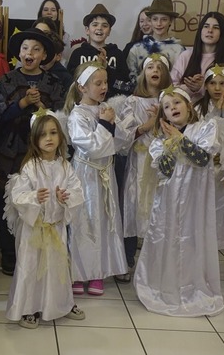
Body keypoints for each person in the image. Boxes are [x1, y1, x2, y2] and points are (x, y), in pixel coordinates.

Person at [134, 86, 223, 317]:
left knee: (193, 239)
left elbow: (203, 159)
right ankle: (166, 285)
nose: (172, 108)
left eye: (177, 103)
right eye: (166, 106)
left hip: (195, 201)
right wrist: (171, 144)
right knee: (169, 238)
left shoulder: (205, 128)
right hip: (169, 203)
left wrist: (180, 140)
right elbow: (165, 168)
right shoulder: (159, 141)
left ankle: (193, 286)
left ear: (188, 106)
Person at [5, 110, 85, 329]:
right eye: (43, 135)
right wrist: (34, 198)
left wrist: (65, 198)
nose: (49, 138)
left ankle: (61, 303)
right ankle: (29, 308)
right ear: (35, 139)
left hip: (56, 228)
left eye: (53, 133)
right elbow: (18, 196)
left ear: (60, 136)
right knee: (31, 267)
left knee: (57, 267)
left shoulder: (66, 167)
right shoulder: (31, 167)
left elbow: (77, 191)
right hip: (34, 231)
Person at [0, 28, 64, 275]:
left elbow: (58, 119)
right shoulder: (7, 81)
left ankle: (38, 250)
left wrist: (41, 107)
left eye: (35, 49)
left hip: (41, 154)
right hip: (11, 153)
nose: (29, 53)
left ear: (44, 55)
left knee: (40, 198)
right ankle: (9, 254)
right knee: (11, 199)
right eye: (25, 48)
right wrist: (22, 103)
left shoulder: (53, 83)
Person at [64, 61, 129, 295]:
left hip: (105, 174)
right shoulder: (77, 115)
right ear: (82, 87)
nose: (104, 87)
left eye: (106, 82)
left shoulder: (107, 109)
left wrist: (111, 122)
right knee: (83, 222)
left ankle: (98, 272)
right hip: (85, 175)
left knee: (104, 220)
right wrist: (105, 123)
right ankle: (79, 273)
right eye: (98, 83)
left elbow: (121, 143)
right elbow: (91, 147)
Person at [116, 53, 172, 282]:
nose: (154, 70)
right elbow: (123, 135)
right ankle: (127, 260)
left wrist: (161, 120)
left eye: (159, 67)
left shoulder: (171, 100)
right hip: (138, 163)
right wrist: (147, 125)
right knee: (132, 209)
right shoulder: (132, 102)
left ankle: (155, 264)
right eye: (150, 67)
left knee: (158, 210)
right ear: (143, 73)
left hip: (161, 165)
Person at [194, 65, 224, 251]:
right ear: (205, 86)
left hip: (222, 167)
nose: (217, 88)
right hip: (203, 165)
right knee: (200, 203)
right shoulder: (198, 109)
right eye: (212, 83)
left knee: (219, 204)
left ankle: (216, 243)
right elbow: (198, 134)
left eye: (222, 83)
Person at [67, 4, 130, 98]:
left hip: (111, 103)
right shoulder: (78, 53)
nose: (99, 28)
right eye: (95, 24)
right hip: (83, 103)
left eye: (104, 26)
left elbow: (125, 86)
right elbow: (70, 81)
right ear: (87, 30)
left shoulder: (117, 54)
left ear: (109, 31)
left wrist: (107, 68)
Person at [171, 12, 224, 103]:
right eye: (206, 26)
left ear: (222, 33)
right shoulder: (186, 56)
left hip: (214, 112)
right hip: (185, 111)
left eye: (216, 27)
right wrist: (190, 88)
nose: (210, 30)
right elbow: (172, 87)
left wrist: (203, 87)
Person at [127, 0, 184, 85]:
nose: (159, 23)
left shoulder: (179, 50)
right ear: (150, 20)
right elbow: (132, 78)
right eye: (155, 19)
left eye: (164, 19)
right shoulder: (136, 49)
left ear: (170, 21)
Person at [37, 0, 72, 65]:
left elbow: (65, 57)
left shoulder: (65, 36)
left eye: (53, 10)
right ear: (41, 13)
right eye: (45, 10)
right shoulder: (33, 32)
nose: (49, 12)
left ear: (58, 13)